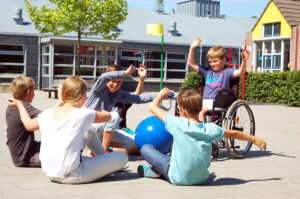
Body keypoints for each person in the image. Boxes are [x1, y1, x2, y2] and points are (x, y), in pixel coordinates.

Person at [6, 76, 128, 184]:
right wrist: (112, 113)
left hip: (50, 173)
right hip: (73, 174)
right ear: (84, 95)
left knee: (89, 130)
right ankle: (106, 162)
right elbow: (107, 116)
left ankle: (103, 158)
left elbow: (28, 124)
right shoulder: (83, 113)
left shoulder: (46, 114)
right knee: (122, 157)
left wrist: (19, 105)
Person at [137, 87, 267, 186]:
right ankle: (161, 172)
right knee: (173, 159)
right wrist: (254, 139)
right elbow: (234, 133)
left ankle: (161, 172)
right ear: (200, 109)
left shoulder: (178, 124)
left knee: (146, 148)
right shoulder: (211, 128)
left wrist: (160, 95)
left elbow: (152, 107)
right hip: (202, 179)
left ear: (183, 110)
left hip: (178, 178)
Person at [85, 64, 156, 155]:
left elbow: (137, 98)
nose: (115, 84)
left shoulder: (117, 94)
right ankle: (102, 153)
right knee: (113, 116)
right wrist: (124, 73)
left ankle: (99, 147)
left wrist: (158, 96)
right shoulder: (98, 90)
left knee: (133, 145)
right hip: (89, 127)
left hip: (107, 130)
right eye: (113, 81)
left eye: (119, 82)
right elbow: (104, 77)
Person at [188, 37, 250, 121]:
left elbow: (240, 72)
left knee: (201, 110)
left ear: (224, 59)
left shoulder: (227, 72)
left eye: (215, 61)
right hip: (205, 101)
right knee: (187, 107)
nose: (212, 64)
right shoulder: (207, 72)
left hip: (218, 103)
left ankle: (202, 132)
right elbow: (191, 63)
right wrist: (192, 48)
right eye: (210, 61)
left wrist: (244, 61)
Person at [6, 76, 42, 167]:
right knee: (59, 155)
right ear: (28, 92)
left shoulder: (11, 106)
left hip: (23, 151)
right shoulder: (24, 106)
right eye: (33, 91)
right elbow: (49, 117)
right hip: (26, 157)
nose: (34, 94)